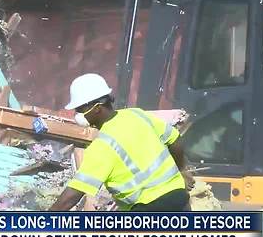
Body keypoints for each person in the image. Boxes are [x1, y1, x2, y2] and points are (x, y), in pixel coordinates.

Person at [49, 73, 195, 212]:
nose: (78, 115)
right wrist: (181, 170)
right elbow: (175, 139)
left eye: (80, 109)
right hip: (180, 200)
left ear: (97, 108)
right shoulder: (137, 115)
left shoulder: (103, 146)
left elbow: (72, 196)